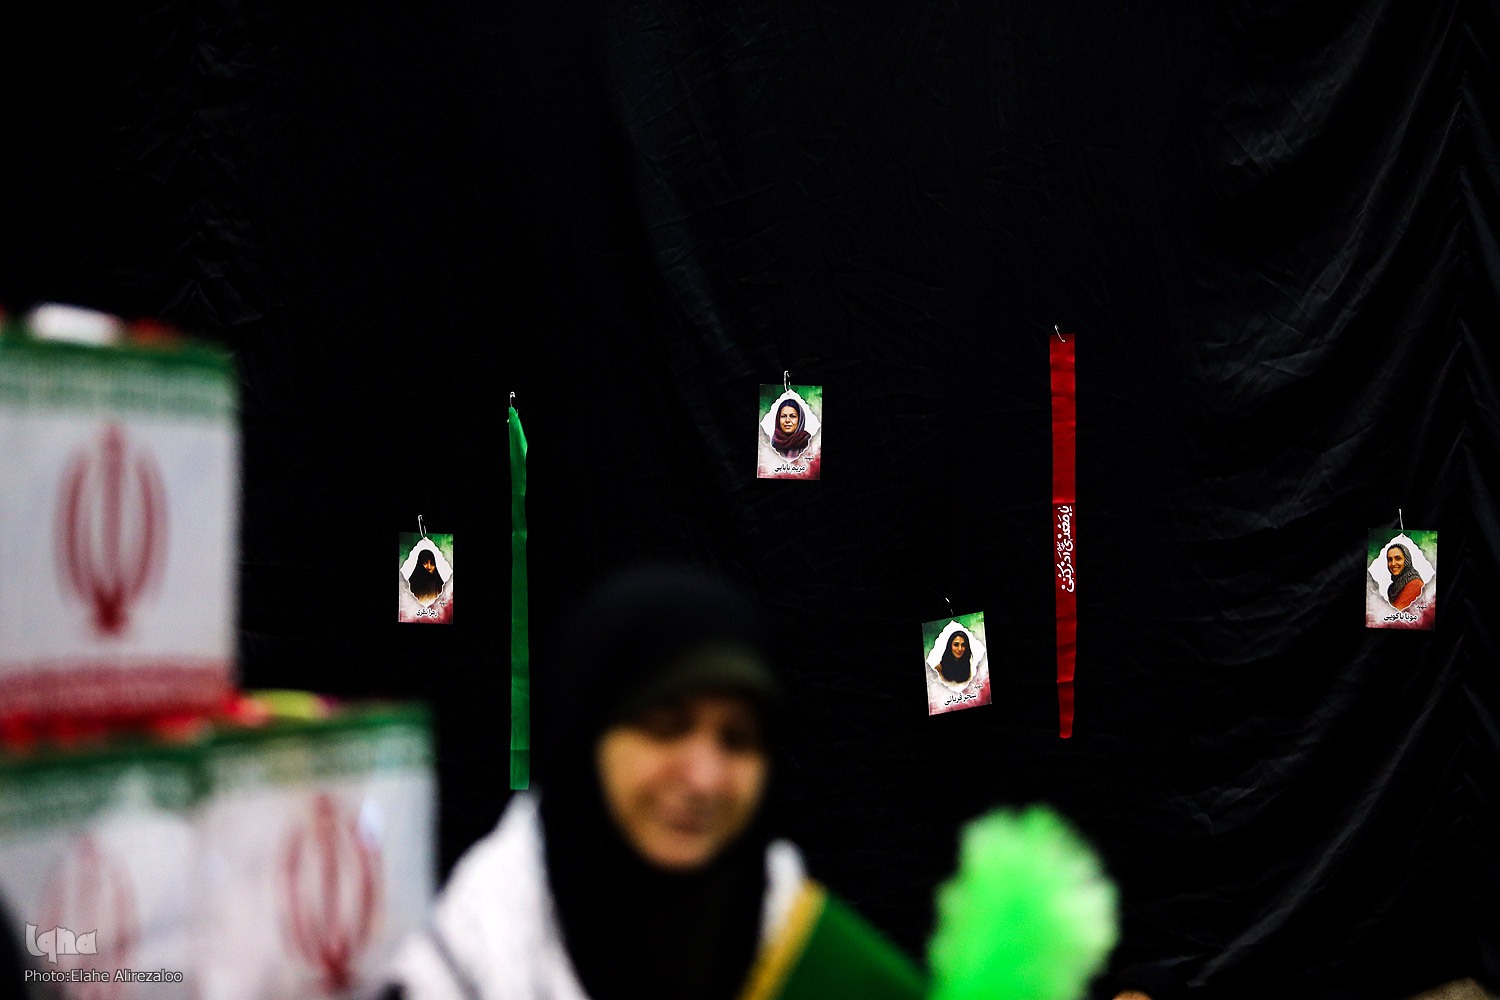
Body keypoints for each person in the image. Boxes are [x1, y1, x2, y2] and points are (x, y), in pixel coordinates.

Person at [383, 565, 923, 1000]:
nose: (704, 778)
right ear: (586, 737)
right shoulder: (465, 961)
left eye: (738, 740)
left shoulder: (815, 963)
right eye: (665, 728)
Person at [1385, 543, 1424, 611]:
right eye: (1390, 560)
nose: (1393, 563)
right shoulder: (1392, 587)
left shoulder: (1415, 584)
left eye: (1398, 558)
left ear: (1407, 560)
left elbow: (1398, 610)